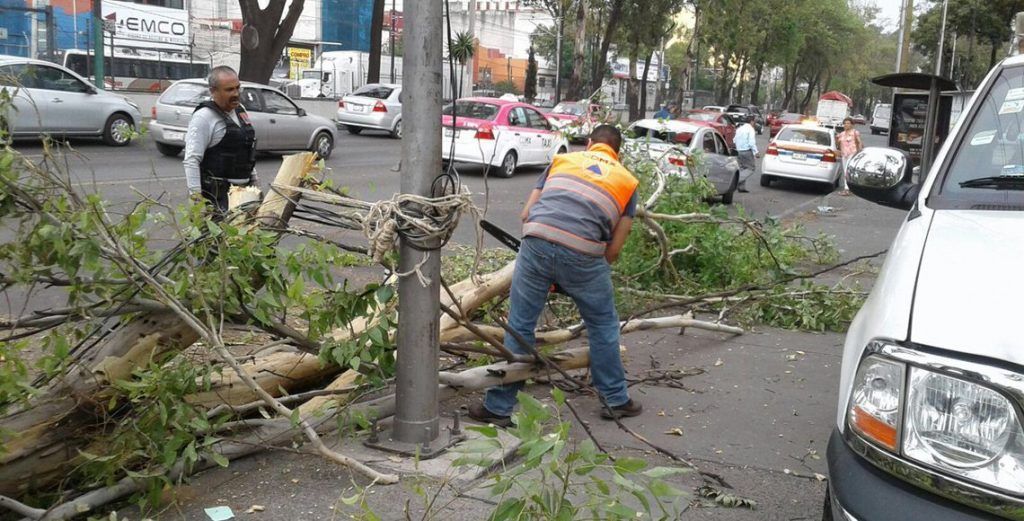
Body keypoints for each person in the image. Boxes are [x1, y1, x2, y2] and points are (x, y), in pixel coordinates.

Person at [467, 125, 643, 427]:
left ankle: (498, 407)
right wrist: (578, 270)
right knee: (602, 325)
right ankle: (615, 401)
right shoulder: (627, 181)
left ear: (589, 144)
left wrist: (549, 261)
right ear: (618, 153)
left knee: (520, 324)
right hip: (584, 255)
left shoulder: (563, 161)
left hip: (536, 242)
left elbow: (527, 214)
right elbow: (613, 251)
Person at [183, 65, 258, 213]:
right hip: (217, 199)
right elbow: (191, 160)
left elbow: (244, 149)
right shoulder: (203, 117)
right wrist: (197, 201)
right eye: (229, 90)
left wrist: (255, 181)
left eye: (238, 88)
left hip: (245, 195)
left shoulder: (240, 110)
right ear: (213, 91)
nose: (236, 93)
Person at [836, 117, 863, 196]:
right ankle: (849, 188)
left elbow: (859, 142)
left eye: (848, 123)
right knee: (845, 171)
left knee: (847, 171)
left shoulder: (855, 132)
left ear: (852, 125)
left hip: (852, 153)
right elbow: (838, 144)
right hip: (844, 154)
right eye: (845, 123)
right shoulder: (842, 134)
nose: (846, 125)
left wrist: (860, 152)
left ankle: (847, 189)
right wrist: (837, 139)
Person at [735, 114, 760, 193]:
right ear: (751, 121)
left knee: (742, 168)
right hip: (746, 151)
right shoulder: (750, 129)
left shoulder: (739, 128)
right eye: (755, 121)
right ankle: (735, 181)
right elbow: (751, 142)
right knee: (750, 168)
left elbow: (734, 140)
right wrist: (756, 152)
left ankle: (741, 187)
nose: (755, 123)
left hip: (738, 151)